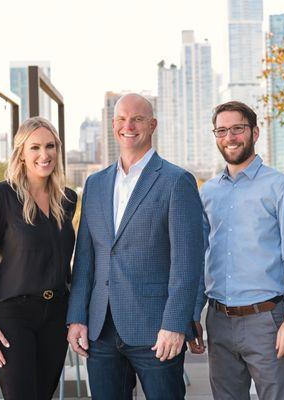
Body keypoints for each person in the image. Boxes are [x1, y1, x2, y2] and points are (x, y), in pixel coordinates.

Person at [66, 93, 203, 399]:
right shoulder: (95, 183)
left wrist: (175, 324)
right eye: (121, 119)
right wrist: (77, 317)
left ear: (152, 125)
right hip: (100, 330)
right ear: (113, 124)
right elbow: (86, 258)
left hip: (156, 330)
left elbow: (187, 263)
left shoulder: (176, 181)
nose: (128, 125)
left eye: (137, 119)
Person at [189, 101, 284, 400]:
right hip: (217, 320)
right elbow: (198, 257)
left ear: (254, 132)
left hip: (267, 320)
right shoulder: (208, 192)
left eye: (237, 129)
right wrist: (193, 313)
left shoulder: (282, 187)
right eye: (222, 130)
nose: (230, 137)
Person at [0, 116, 77, 399]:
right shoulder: (1, 196)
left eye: (50, 146)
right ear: (21, 154)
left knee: (44, 394)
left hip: (56, 315)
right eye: (35, 148)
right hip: (13, 316)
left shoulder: (66, 200)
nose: (45, 155)